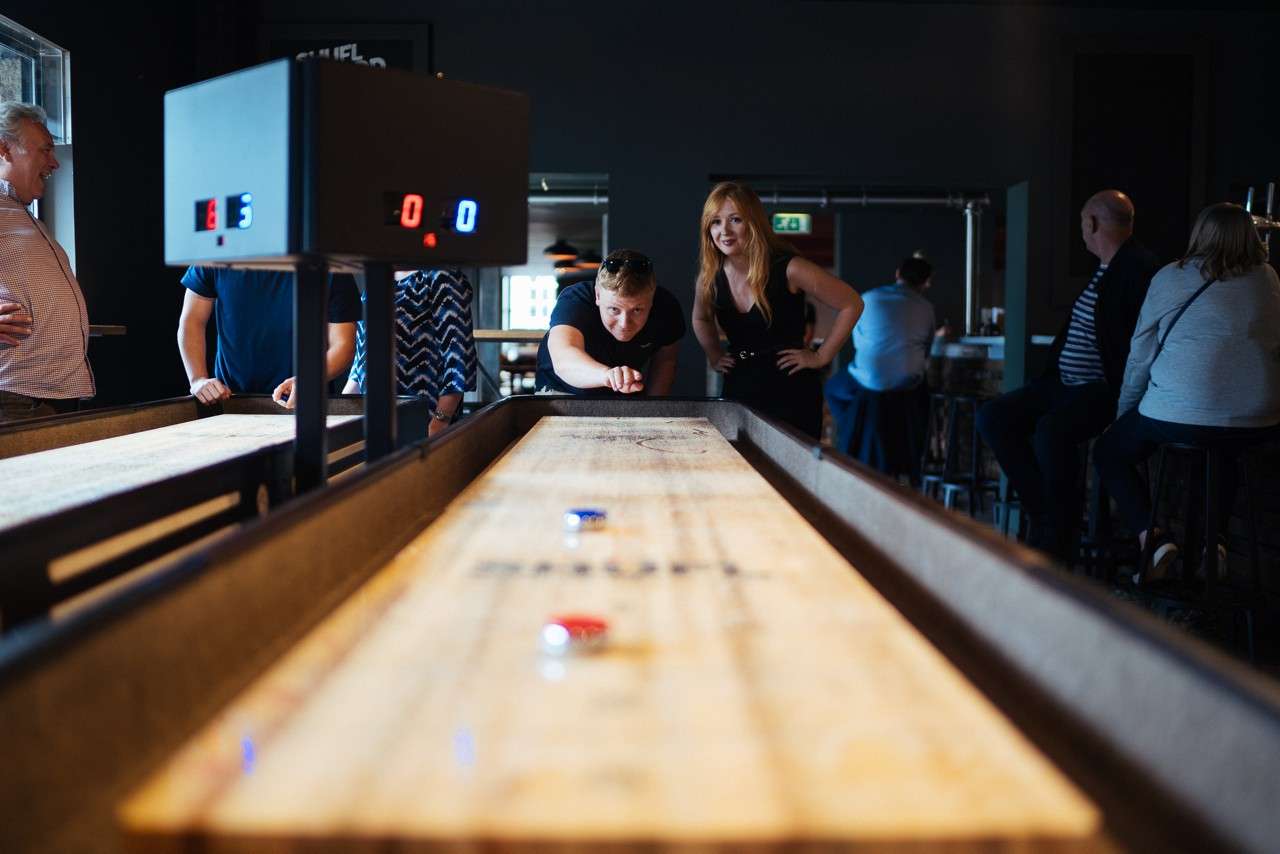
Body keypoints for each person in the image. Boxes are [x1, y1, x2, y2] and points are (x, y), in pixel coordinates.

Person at [1093, 203, 1280, 580]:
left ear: (1200, 235)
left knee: (1109, 452)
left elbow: (1140, 353)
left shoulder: (1170, 277)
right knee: (1223, 446)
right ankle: (1213, 545)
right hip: (1257, 417)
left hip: (1178, 413)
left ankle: (1154, 539)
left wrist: (1124, 413)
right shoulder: (1268, 278)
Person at [977, 189, 1161, 561]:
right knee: (993, 417)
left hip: (1101, 390)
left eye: (1082, 224)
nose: (1082, 232)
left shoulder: (1138, 269)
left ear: (1091, 223)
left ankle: (1059, 536)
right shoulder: (1108, 268)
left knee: (1052, 431)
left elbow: (1140, 343)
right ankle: (1045, 514)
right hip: (1062, 384)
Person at [691, 181, 862, 440]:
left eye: (735, 219)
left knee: (792, 475)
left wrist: (820, 357)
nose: (724, 230)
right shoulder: (710, 276)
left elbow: (852, 303)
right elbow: (701, 317)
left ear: (754, 222)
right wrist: (714, 354)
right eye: (715, 221)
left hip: (790, 386)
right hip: (740, 383)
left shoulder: (790, 267)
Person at [0, 102, 94, 422]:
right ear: (4, 149)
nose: (54, 163)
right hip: (15, 400)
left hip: (49, 398)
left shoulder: (23, 215)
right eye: (45, 150)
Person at [176, 267, 359, 406]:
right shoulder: (221, 251)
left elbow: (343, 345)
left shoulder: (330, 265)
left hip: (301, 405)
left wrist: (309, 378)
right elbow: (192, 322)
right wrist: (198, 379)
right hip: (229, 402)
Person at [824, 255, 936, 477]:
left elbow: (857, 341)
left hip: (869, 380)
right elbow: (927, 347)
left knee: (832, 389)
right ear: (926, 283)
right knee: (914, 397)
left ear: (897, 274)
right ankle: (885, 442)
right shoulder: (927, 308)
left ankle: (851, 428)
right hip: (910, 385)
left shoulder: (868, 299)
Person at [344, 268, 477, 437]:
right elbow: (361, 360)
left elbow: (459, 360)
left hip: (423, 422)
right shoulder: (377, 280)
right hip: (374, 422)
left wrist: (438, 425)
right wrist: (342, 411)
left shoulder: (442, 277)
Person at [535, 248, 683, 396]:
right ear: (598, 296)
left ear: (652, 300)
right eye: (614, 309)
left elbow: (666, 362)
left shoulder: (666, 308)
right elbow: (564, 360)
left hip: (620, 394)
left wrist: (653, 411)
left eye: (637, 310)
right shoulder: (575, 300)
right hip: (559, 392)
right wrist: (607, 376)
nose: (624, 323)